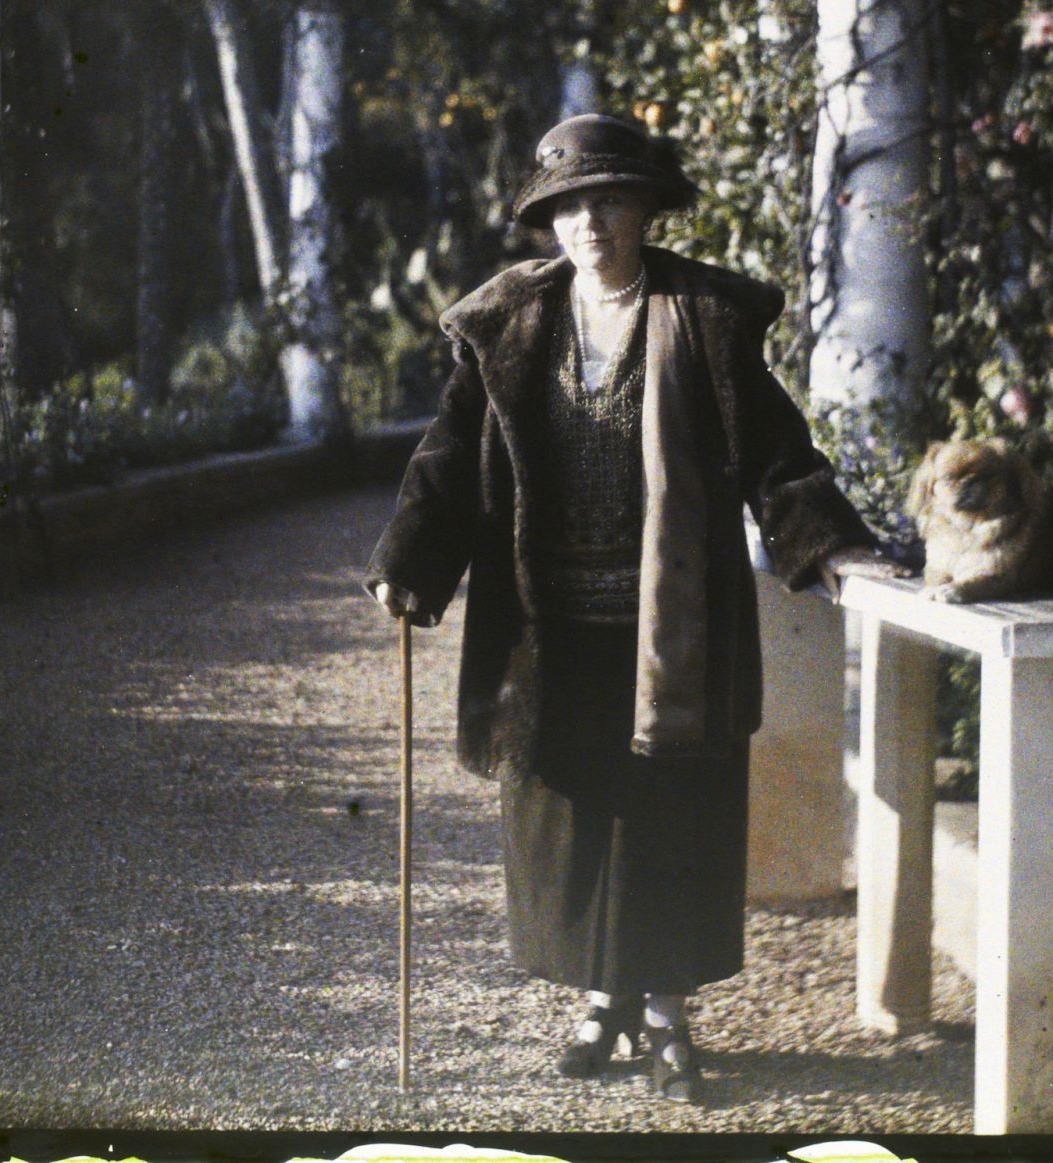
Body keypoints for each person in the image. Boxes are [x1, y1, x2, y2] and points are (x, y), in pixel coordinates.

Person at [364, 112, 907, 1104]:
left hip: (674, 628)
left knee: (668, 820)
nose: (592, 223)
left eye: (611, 200)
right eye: (571, 206)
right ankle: (598, 999)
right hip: (549, 626)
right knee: (571, 816)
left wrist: (834, 552)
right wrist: (409, 564)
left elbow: (777, 452)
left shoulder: (699, 318)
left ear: (647, 211)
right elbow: (446, 461)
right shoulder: (507, 325)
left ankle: (663, 1013)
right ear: (549, 222)